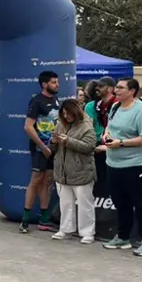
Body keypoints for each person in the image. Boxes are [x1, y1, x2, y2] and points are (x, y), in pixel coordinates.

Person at [98, 78, 142, 257]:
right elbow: (109, 125)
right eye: (116, 87)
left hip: (137, 164)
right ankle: (123, 237)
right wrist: (106, 135)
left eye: (121, 88)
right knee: (121, 203)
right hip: (113, 164)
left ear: (132, 91)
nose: (116, 90)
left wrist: (121, 143)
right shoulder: (115, 107)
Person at [50, 99, 97, 244]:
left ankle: (88, 232)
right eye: (63, 113)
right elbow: (53, 149)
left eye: (68, 113)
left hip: (81, 171)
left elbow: (89, 146)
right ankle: (65, 229)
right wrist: (53, 142)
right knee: (65, 203)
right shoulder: (60, 125)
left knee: (85, 203)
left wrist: (68, 141)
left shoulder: (86, 127)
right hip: (62, 171)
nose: (66, 116)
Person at [21, 71, 60, 233]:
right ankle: (25, 220)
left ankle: (44, 219)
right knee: (35, 180)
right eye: (53, 82)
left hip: (53, 147)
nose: (57, 85)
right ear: (44, 84)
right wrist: (42, 146)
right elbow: (28, 127)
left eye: (57, 82)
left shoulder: (56, 100)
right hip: (40, 148)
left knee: (48, 181)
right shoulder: (37, 101)